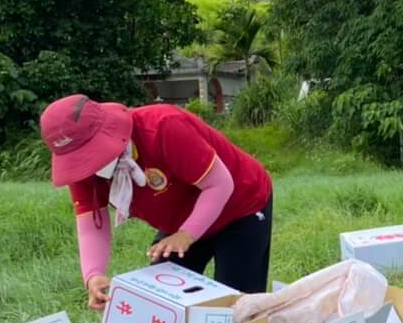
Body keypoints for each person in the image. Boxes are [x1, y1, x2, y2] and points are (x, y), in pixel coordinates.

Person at [40, 95, 275, 307]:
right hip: (181, 217)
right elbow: (92, 225)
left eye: (90, 154)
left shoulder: (162, 127)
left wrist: (186, 235)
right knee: (159, 301)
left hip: (240, 205)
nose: (88, 164)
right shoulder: (82, 171)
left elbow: (219, 184)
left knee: (239, 307)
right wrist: (94, 274)